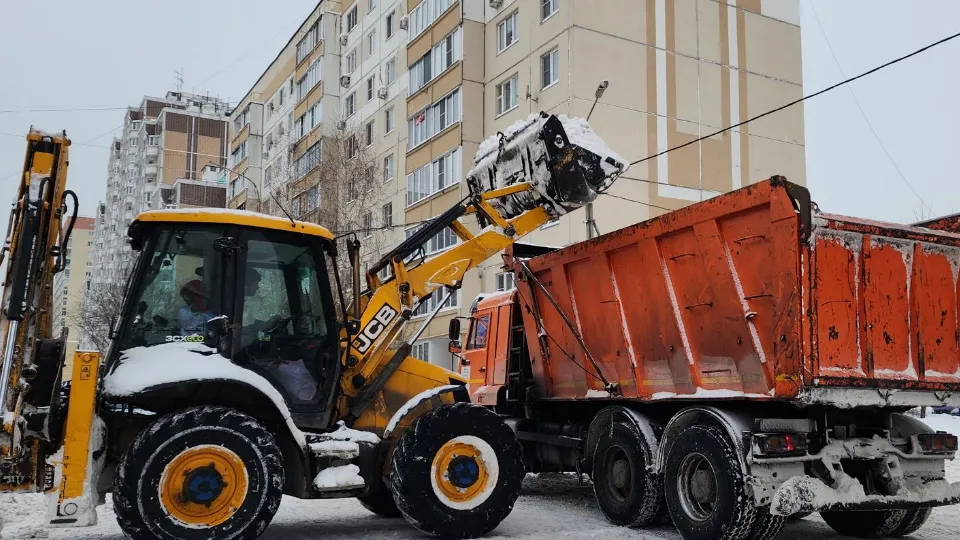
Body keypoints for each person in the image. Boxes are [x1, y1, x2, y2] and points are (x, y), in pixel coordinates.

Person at [241, 267, 318, 401]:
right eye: (256, 284)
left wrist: (266, 326)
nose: (257, 287)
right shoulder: (237, 304)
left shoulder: (238, 303)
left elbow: (250, 332)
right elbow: (246, 336)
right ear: (247, 284)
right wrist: (264, 330)